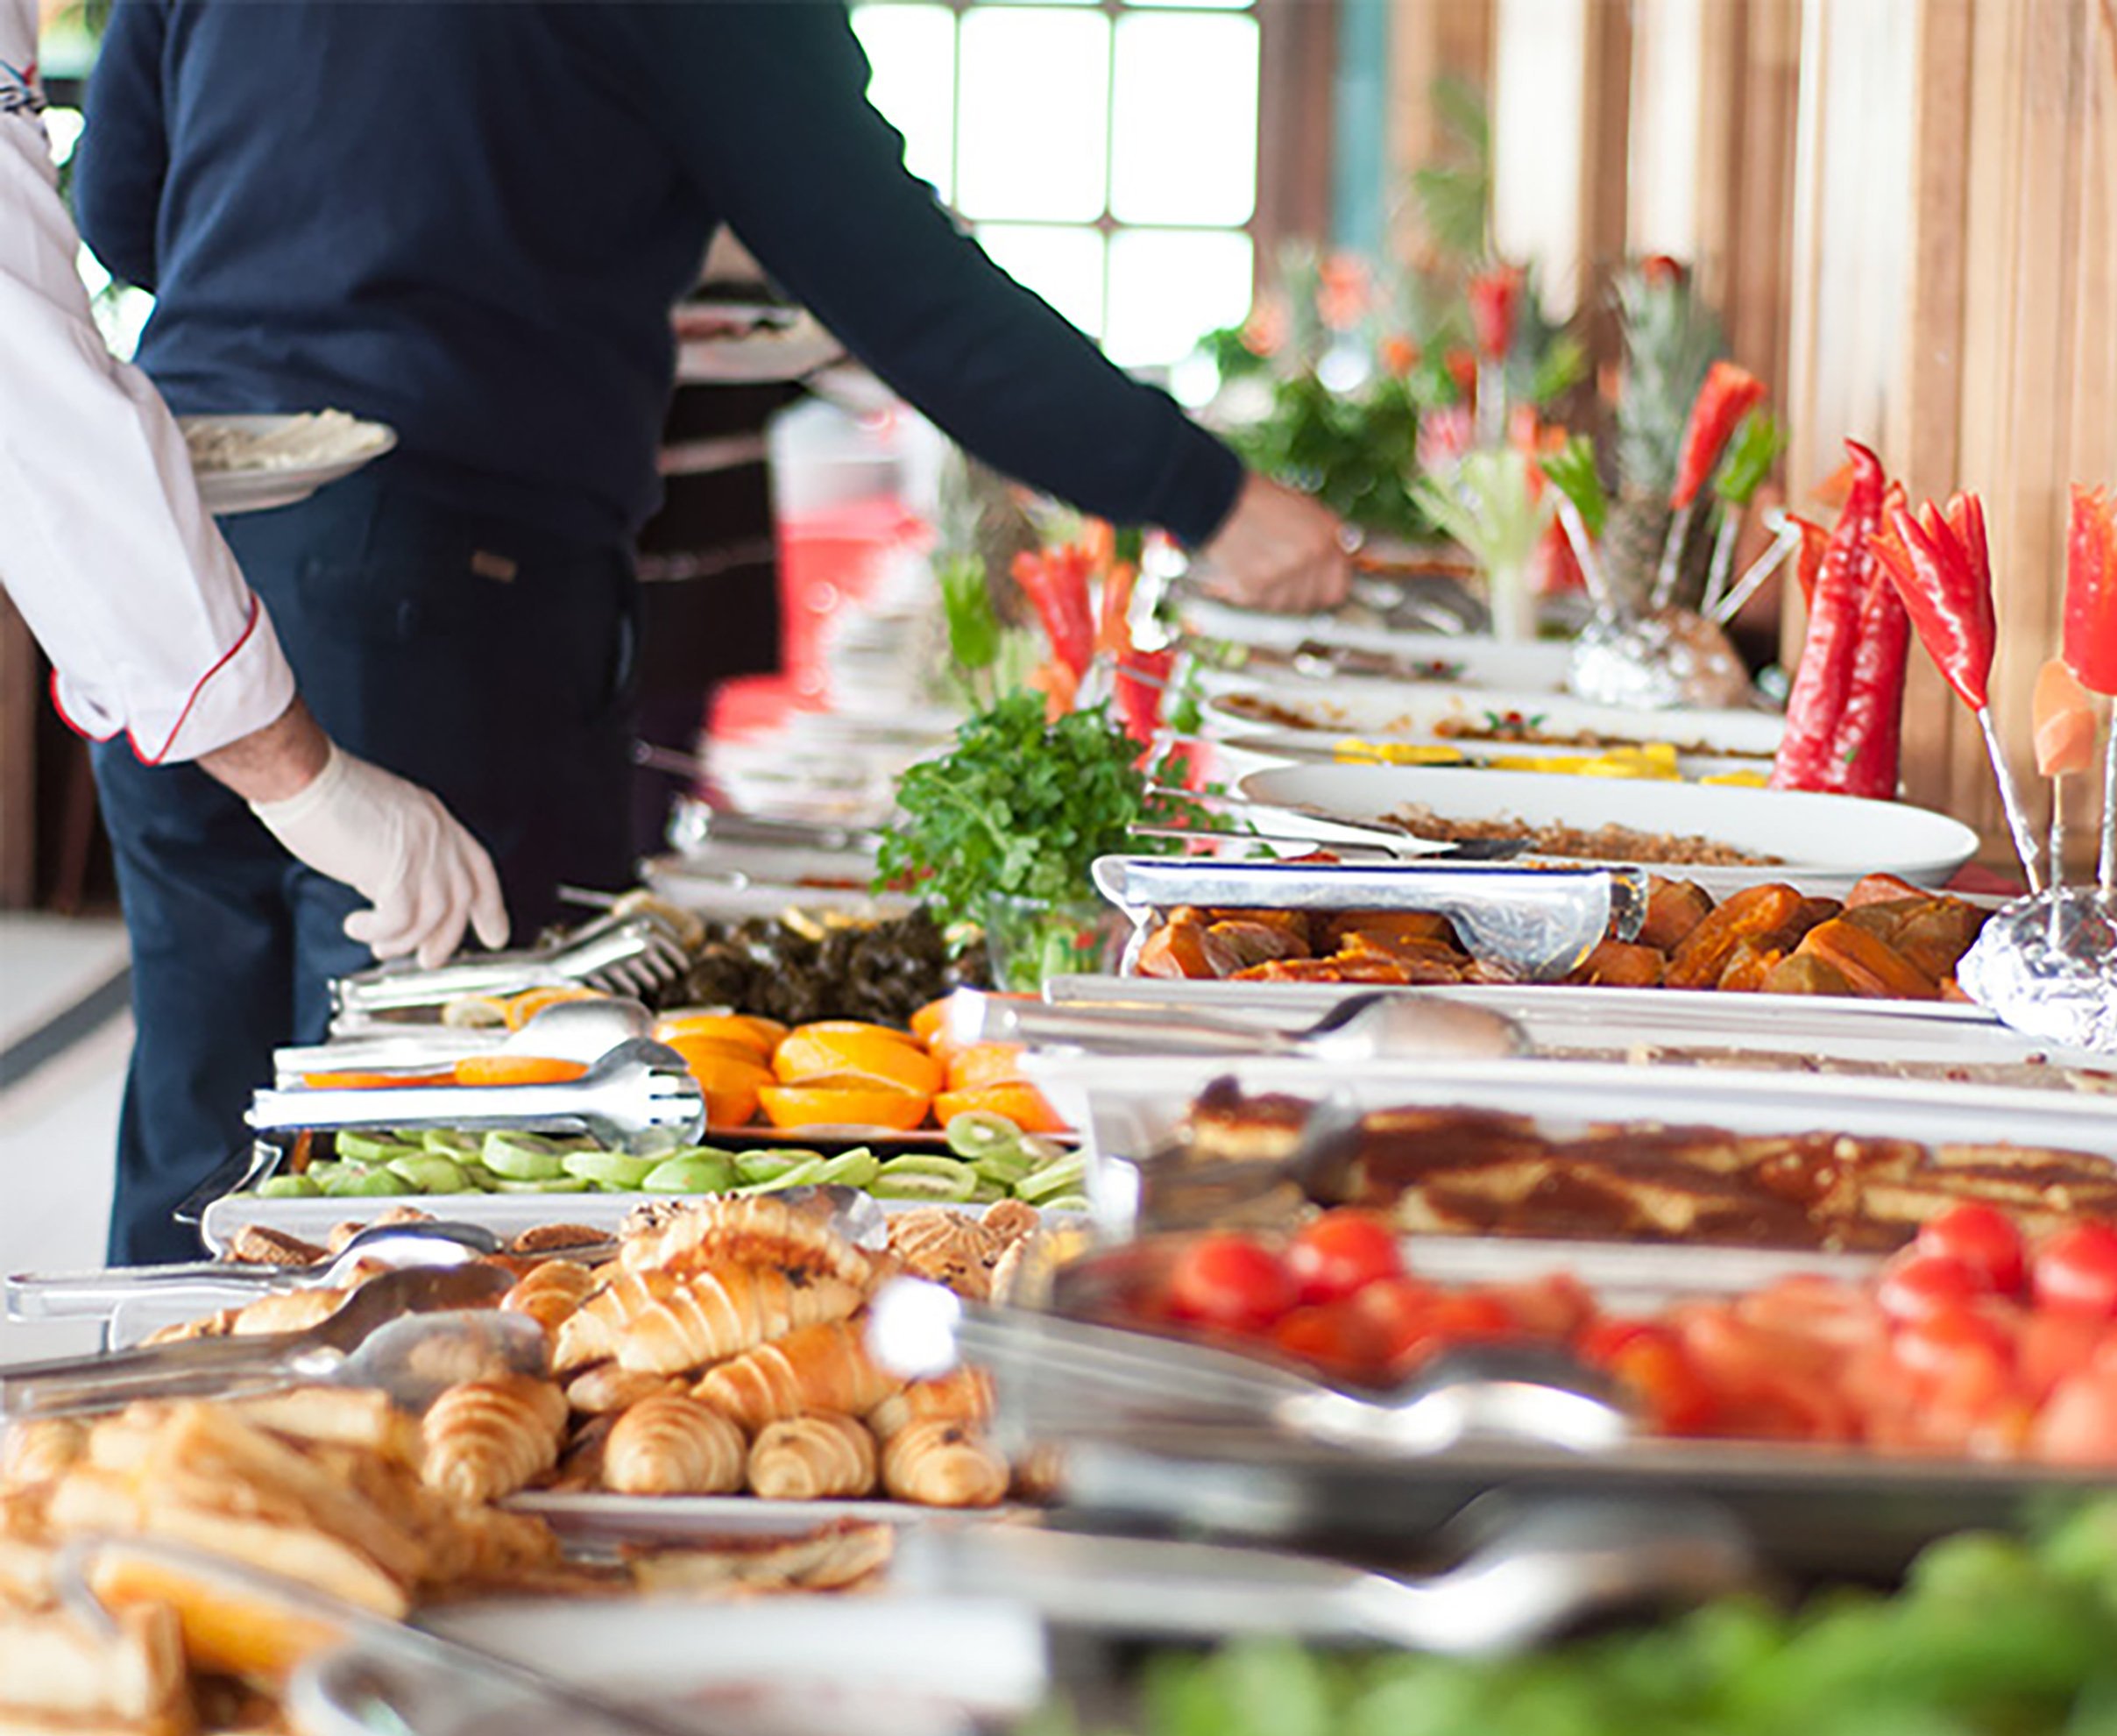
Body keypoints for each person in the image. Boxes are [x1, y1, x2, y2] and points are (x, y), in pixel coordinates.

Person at [69, 1, 1351, 1261]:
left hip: (184, 557)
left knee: (205, 1124)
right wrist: (1206, 496)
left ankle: (131, 1466)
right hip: (443, 584)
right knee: (445, 1169)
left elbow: (123, 210)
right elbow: (899, 280)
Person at [1, 0, 507, 1260]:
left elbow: (106, 217)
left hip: (209, 500)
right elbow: (28, 395)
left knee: (198, 1098)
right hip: (404, 552)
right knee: (370, 1145)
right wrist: (302, 774)